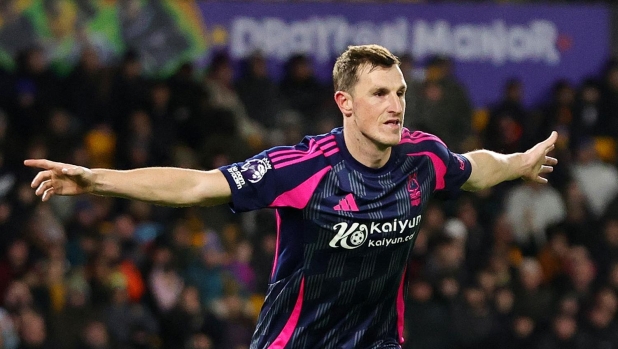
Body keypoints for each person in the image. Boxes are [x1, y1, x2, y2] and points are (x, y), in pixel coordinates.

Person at [24, 44, 557, 349]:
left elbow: (475, 170)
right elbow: (197, 185)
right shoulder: (302, 167)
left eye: (401, 93)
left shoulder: (424, 157)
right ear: (345, 103)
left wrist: (518, 164)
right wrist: (96, 178)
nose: (396, 105)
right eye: (380, 93)